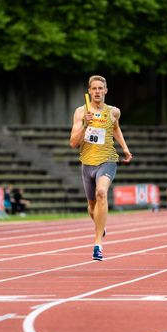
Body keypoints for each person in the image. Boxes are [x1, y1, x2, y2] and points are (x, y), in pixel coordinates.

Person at [69, 75, 133, 261]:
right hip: (87, 163)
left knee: (101, 193)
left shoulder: (114, 112)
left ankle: (98, 244)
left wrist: (125, 149)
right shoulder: (81, 113)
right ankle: (100, 225)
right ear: (89, 91)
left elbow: (115, 128)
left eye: (100, 88)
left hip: (107, 160)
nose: (97, 92)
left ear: (106, 91)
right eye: (94, 88)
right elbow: (73, 143)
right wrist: (84, 125)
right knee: (91, 206)